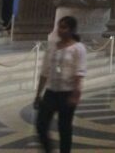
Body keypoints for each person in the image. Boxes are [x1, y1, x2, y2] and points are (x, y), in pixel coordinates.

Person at [34, 16, 86, 153]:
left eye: (64, 27)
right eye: (59, 26)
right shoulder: (52, 47)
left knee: (64, 127)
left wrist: (76, 93)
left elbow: (79, 72)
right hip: (51, 92)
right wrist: (38, 94)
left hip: (67, 92)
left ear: (71, 30)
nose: (60, 30)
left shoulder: (78, 48)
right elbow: (44, 72)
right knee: (41, 125)